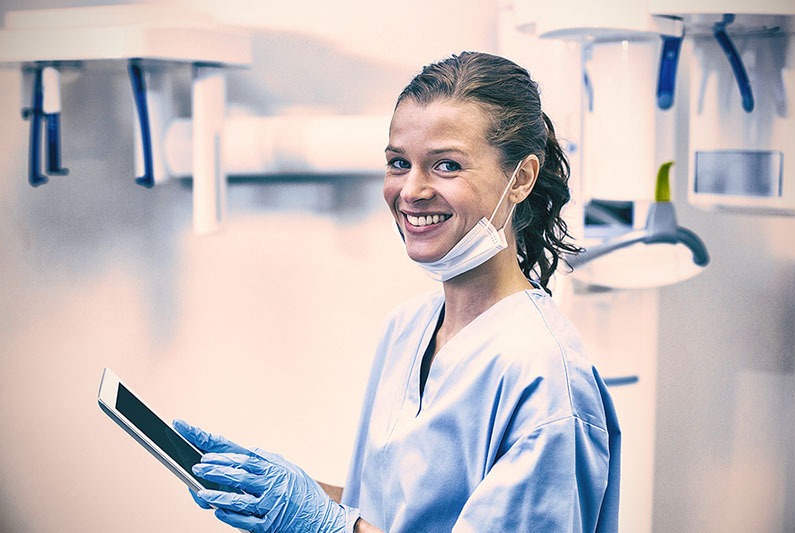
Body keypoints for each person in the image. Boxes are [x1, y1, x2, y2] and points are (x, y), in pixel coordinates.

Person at [174, 51, 621, 532]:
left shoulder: (546, 380)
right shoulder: (409, 327)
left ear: (522, 179)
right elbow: (400, 513)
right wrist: (282, 492)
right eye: (398, 163)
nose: (411, 190)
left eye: (446, 165)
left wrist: (325, 525)